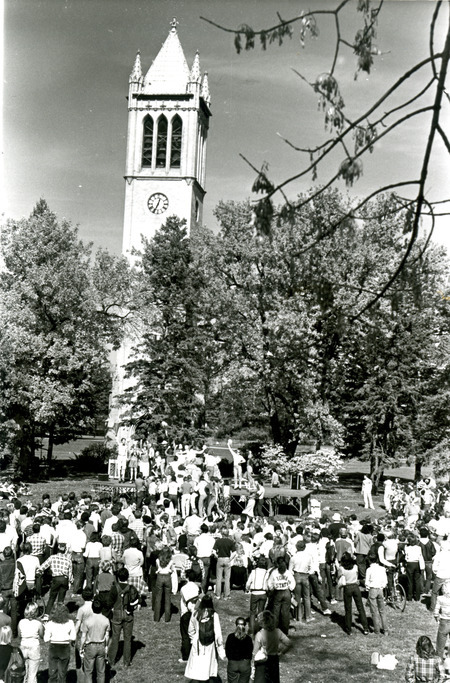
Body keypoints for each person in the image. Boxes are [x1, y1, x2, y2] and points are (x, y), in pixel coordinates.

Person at [184, 593, 225, 682]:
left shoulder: (195, 613)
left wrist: (193, 639)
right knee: (207, 666)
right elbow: (218, 633)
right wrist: (220, 648)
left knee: (197, 667)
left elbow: (190, 630)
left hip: (197, 643)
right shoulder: (214, 615)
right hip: (209, 645)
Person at [108, 567, 139, 668]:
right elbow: (137, 600)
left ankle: (111, 660)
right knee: (128, 639)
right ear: (128, 577)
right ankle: (127, 662)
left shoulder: (114, 588)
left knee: (115, 638)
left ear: (117, 577)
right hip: (128, 615)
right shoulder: (131, 588)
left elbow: (109, 602)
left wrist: (112, 608)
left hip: (116, 614)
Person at [252, 610, 291, 683]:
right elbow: (289, 643)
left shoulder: (259, 634)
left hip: (264, 660)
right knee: (275, 679)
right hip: (274, 658)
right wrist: (282, 652)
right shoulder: (278, 631)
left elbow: (255, 652)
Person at [37, 542, 73, 617]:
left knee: (52, 597)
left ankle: (47, 614)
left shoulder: (52, 557)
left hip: (56, 579)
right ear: (65, 550)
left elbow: (43, 566)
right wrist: (70, 581)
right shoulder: (68, 560)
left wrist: (39, 571)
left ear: (57, 549)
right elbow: (70, 573)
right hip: (64, 579)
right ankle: (59, 615)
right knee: (61, 599)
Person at [80, 598, 110, 683]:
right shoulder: (106, 620)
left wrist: (81, 648)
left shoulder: (87, 621)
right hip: (101, 646)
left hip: (90, 646)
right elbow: (107, 635)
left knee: (88, 672)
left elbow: (83, 637)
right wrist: (106, 646)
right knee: (101, 671)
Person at [338, 552, 369, 636]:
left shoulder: (341, 568)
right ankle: (365, 628)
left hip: (347, 588)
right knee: (360, 608)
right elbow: (357, 575)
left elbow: (338, 577)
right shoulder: (355, 567)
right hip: (355, 587)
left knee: (348, 609)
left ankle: (348, 629)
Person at [44, 604, 76, 683]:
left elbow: (46, 639)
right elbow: (73, 637)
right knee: (63, 673)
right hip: (65, 648)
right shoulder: (70, 622)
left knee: (52, 672)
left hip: (54, 647)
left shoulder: (50, 624)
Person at [266, 557, 295, 635]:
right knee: (285, 612)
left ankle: (275, 629)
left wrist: (272, 589)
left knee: (276, 611)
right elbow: (293, 583)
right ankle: (285, 630)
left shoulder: (274, 572)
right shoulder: (288, 573)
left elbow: (269, 583)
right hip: (286, 592)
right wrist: (290, 589)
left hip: (277, 592)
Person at [18, 602, 44, 683]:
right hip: (34, 647)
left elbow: (19, 636)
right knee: (32, 674)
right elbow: (42, 636)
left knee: (22, 671)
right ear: (36, 611)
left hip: (23, 646)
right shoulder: (38, 623)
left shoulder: (21, 622)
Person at [365, 555, 388, 635]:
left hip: (373, 589)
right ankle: (385, 630)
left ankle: (377, 630)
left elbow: (367, 582)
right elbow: (385, 581)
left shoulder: (369, 569)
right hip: (380, 590)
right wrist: (382, 586)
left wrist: (368, 587)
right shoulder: (382, 569)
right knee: (382, 611)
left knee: (374, 611)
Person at [225, 617, 253, 683]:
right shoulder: (248, 638)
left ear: (236, 625)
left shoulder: (230, 637)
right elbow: (250, 652)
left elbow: (227, 652)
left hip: (232, 664)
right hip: (244, 664)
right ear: (245, 626)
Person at [153, 547, 175, 622]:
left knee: (158, 598)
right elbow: (172, 570)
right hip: (167, 577)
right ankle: (167, 618)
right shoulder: (171, 561)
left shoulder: (157, 560)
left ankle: (156, 617)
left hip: (159, 577)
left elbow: (157, 568)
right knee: (168, 598)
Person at [434, 580, 450, 658]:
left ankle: (439, 658)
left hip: (444, 621)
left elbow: (436, 610)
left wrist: (436, 617)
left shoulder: (440, 598)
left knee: (441, 641)